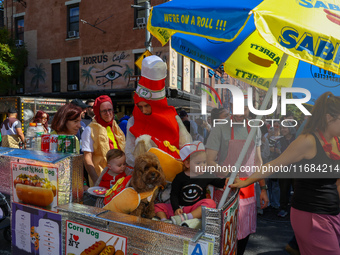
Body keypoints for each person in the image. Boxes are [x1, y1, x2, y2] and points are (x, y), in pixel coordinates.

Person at [231, 91, 340, 255]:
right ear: (329, 118)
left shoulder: (336, 141)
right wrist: (245, 182)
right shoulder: (307, 141)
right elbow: (274, 164)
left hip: (332, 213)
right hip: (312, 215)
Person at [205, 98, 269, 255]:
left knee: (244, 231)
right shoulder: (220, 128)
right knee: (224, 232)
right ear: (231, 106)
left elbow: (258, 161)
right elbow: (209, 160)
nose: (240, 113)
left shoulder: (255, 128)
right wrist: (229, 176)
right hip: (225, 188)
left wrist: (263, 187)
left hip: (248, 187)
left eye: (245, 108)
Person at [126, 55, 191, 167]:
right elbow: (129, 154)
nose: (143, 111)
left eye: (147, 106)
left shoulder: (174, 118)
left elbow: (186, 147)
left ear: (157, 105)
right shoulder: (132, 121)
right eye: (139, 107)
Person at [154, 141, 227, 227]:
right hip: (181, 208)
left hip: (195, 209)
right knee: (157, 206)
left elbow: (219, 182)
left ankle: (187, 218)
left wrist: (228, 179)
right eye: (198, 163)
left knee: (211, 203)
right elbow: (174, 195)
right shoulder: (179, 178)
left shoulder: (206, 175)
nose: (203, 165)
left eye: (204, 162)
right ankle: (165, 222)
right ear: (187, 164)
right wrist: (176, 208)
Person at [81, 95, 125, 186]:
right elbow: (87, 158)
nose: (108, 113)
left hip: (121, 177)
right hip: (102, 179)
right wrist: (96, 181)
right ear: (98, 112)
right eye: (104, 111)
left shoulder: (115, 127)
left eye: (110, 110)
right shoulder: (90, 130)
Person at [273, 122, 296, 218]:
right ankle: (283, 208)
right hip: (283, 169)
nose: (283, 129)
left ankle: (296, 209)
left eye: (285, 128)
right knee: (284, 190)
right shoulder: (279, 141)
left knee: (297, 189)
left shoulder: (297, 139)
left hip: (296, 169)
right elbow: (276, 154)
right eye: (282, 128)